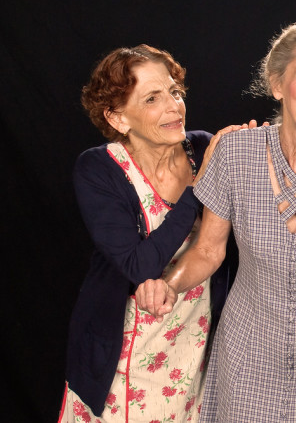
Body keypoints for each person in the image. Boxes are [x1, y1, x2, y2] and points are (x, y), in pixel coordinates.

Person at [136, 20, 296, 422]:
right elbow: (208, 250)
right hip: (247, 360)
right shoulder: (235, 153)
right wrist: (169, 287)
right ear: (278, 84)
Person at [58, 44, 261, 422]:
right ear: (118, 118)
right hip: (122, 356)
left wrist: (257, 155)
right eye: (153, 98)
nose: (173, 106)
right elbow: (139, 265)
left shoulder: (202, 148)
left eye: (175, 92)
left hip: (196, 342)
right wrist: (200, 185)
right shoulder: (98, 169)